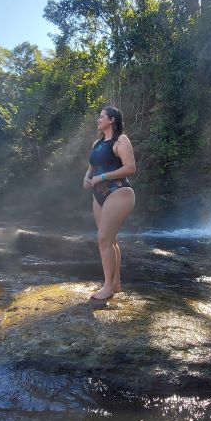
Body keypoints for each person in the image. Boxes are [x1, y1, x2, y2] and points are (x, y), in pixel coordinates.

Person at [83, 106, 136, 301]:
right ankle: (115, 282)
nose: (98, 120)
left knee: (104, 239)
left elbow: (130, 167)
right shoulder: (97, 143)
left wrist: (102, 176)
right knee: (110, 240)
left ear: (112, 120)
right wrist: (87, 178)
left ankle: (107, 287)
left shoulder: (121, 140)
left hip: (119, 191)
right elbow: (92, 166)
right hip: (99, 194)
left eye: (101, 117)